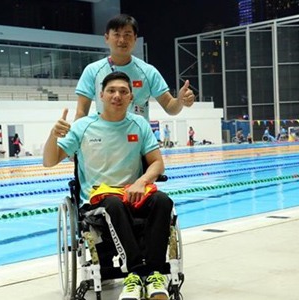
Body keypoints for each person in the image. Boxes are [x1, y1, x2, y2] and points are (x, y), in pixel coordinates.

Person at [43, 72, 173, 300]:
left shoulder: (139, 124)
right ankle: (134, 273)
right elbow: (49, 161)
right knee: (113, 204)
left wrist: (142, 181)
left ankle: (154, 274)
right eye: (111, 91)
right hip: (98, 201)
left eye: (123, 91)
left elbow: (157, 163)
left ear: (131, 97)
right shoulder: (83, 126)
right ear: (101, 95)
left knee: (163, 201)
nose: (117, 95)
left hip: (133, 195)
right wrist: (53, 136)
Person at [75, 14, 195, 121]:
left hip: (139, 141)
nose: (122, 40)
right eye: (117, 35)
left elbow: (169, 106)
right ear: (107, 38)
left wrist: (180, 101)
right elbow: (81, 112)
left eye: (127, 35)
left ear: (135, 38)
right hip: (106, 139)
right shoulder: (92, 71)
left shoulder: (148, 72)